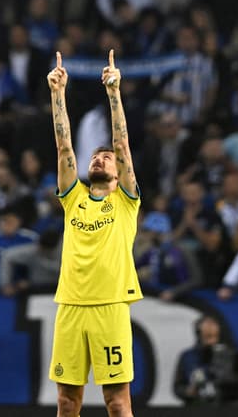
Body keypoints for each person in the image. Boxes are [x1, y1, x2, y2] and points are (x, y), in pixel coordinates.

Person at [48, 50, 141, 417]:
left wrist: (114, 93)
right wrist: (58, 94)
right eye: (95, 157)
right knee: (67, 401)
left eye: (106, 159)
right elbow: (63, 146)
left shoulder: (125, 201)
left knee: (117, 402)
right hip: (70, 305)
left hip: (110, 305)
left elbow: (122, 146)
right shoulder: (74, 199)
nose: (99, 159)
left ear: (119, 174)